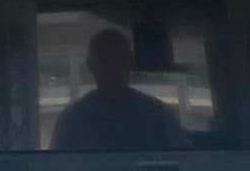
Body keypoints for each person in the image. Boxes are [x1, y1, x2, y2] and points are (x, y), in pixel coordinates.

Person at [51, 28, 189, 153]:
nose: (113, 68)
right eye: (105, 60)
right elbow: (57, 170)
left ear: (130, 62)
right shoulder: (72, 119)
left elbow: (183, 163)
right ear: (90, 65)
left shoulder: (159, 115)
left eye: (119, 59)